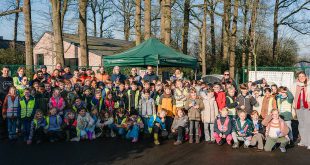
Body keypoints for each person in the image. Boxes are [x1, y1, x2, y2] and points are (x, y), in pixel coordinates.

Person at [291, 71, 310, 149]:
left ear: (305, 77)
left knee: (307, 123)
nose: (301, 77)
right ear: (298, 78)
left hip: (307, 105)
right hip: (298, 105)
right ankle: (303, 140)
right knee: (301, 124)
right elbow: (292, 95)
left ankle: (309, 142)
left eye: (303, 76)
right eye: (300, 76)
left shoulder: (309, 84)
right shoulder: (295, 85)